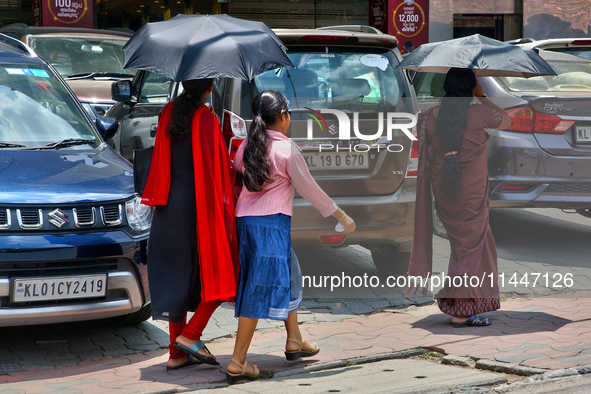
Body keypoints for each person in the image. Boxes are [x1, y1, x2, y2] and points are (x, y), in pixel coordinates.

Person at [225, 90, 356, 383]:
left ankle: (294, 339)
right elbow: (311, 191)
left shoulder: (246, 145)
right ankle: (237, 361)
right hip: (270, 225)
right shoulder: (287, 151)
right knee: (258, 288)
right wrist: (342, 217)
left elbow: (237, 173)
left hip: (246, 223)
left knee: (291, 273)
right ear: (283, 116)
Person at [141, 79, 239, 370]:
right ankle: (191, 334)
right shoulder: (206, 118)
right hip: (197, 207)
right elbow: (218, 167)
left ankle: (176, 353)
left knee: (176, 278)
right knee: (224, 272)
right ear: (209, 89)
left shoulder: (168, 111)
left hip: (167, 204)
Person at [408, 68, 511, 327]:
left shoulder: (432, 116)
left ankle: (464, 303)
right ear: (471, 87)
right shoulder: (479, 113)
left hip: (444, 190)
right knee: (471, 248)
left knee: (466, 247)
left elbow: (428, 150)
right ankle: (462, 309)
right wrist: (483, 95)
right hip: (471, 192)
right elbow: (507, 120)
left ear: (446, 87)